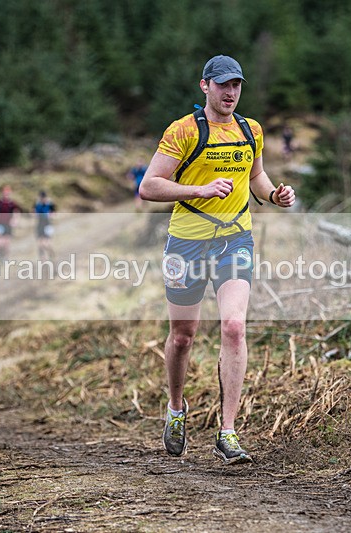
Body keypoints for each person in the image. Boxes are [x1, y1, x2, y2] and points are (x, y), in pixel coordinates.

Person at [139, 54, 296, 465]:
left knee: (233, 325)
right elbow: (149, 187)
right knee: (183, 336)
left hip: (234, 241)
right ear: (204, 86)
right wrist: (200, 190)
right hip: (186, 244)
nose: (230, 93)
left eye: (237, 85)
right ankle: (176, 408)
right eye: (223, 84)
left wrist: (273, 196)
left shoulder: (250, 130)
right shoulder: (184, 131)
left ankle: (227, 432)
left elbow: (256, 177)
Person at [0, 185, 21, 259]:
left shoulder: (12, 204)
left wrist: (15, 220)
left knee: (6, 244)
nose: (6, 194)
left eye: (8, 193)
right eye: (5, 193)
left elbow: (16, 212)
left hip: (8, 225)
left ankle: (6, 258)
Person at [34, 190, 56, 260]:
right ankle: (43, 260)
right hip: (40, 225)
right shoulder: (37, 204)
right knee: (40, 244)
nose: (42, 199)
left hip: (47, 225)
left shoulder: (49, 204)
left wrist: (50, 215)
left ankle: (51, 253)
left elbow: (54, 213)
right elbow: (33, 212)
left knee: (46, 243)